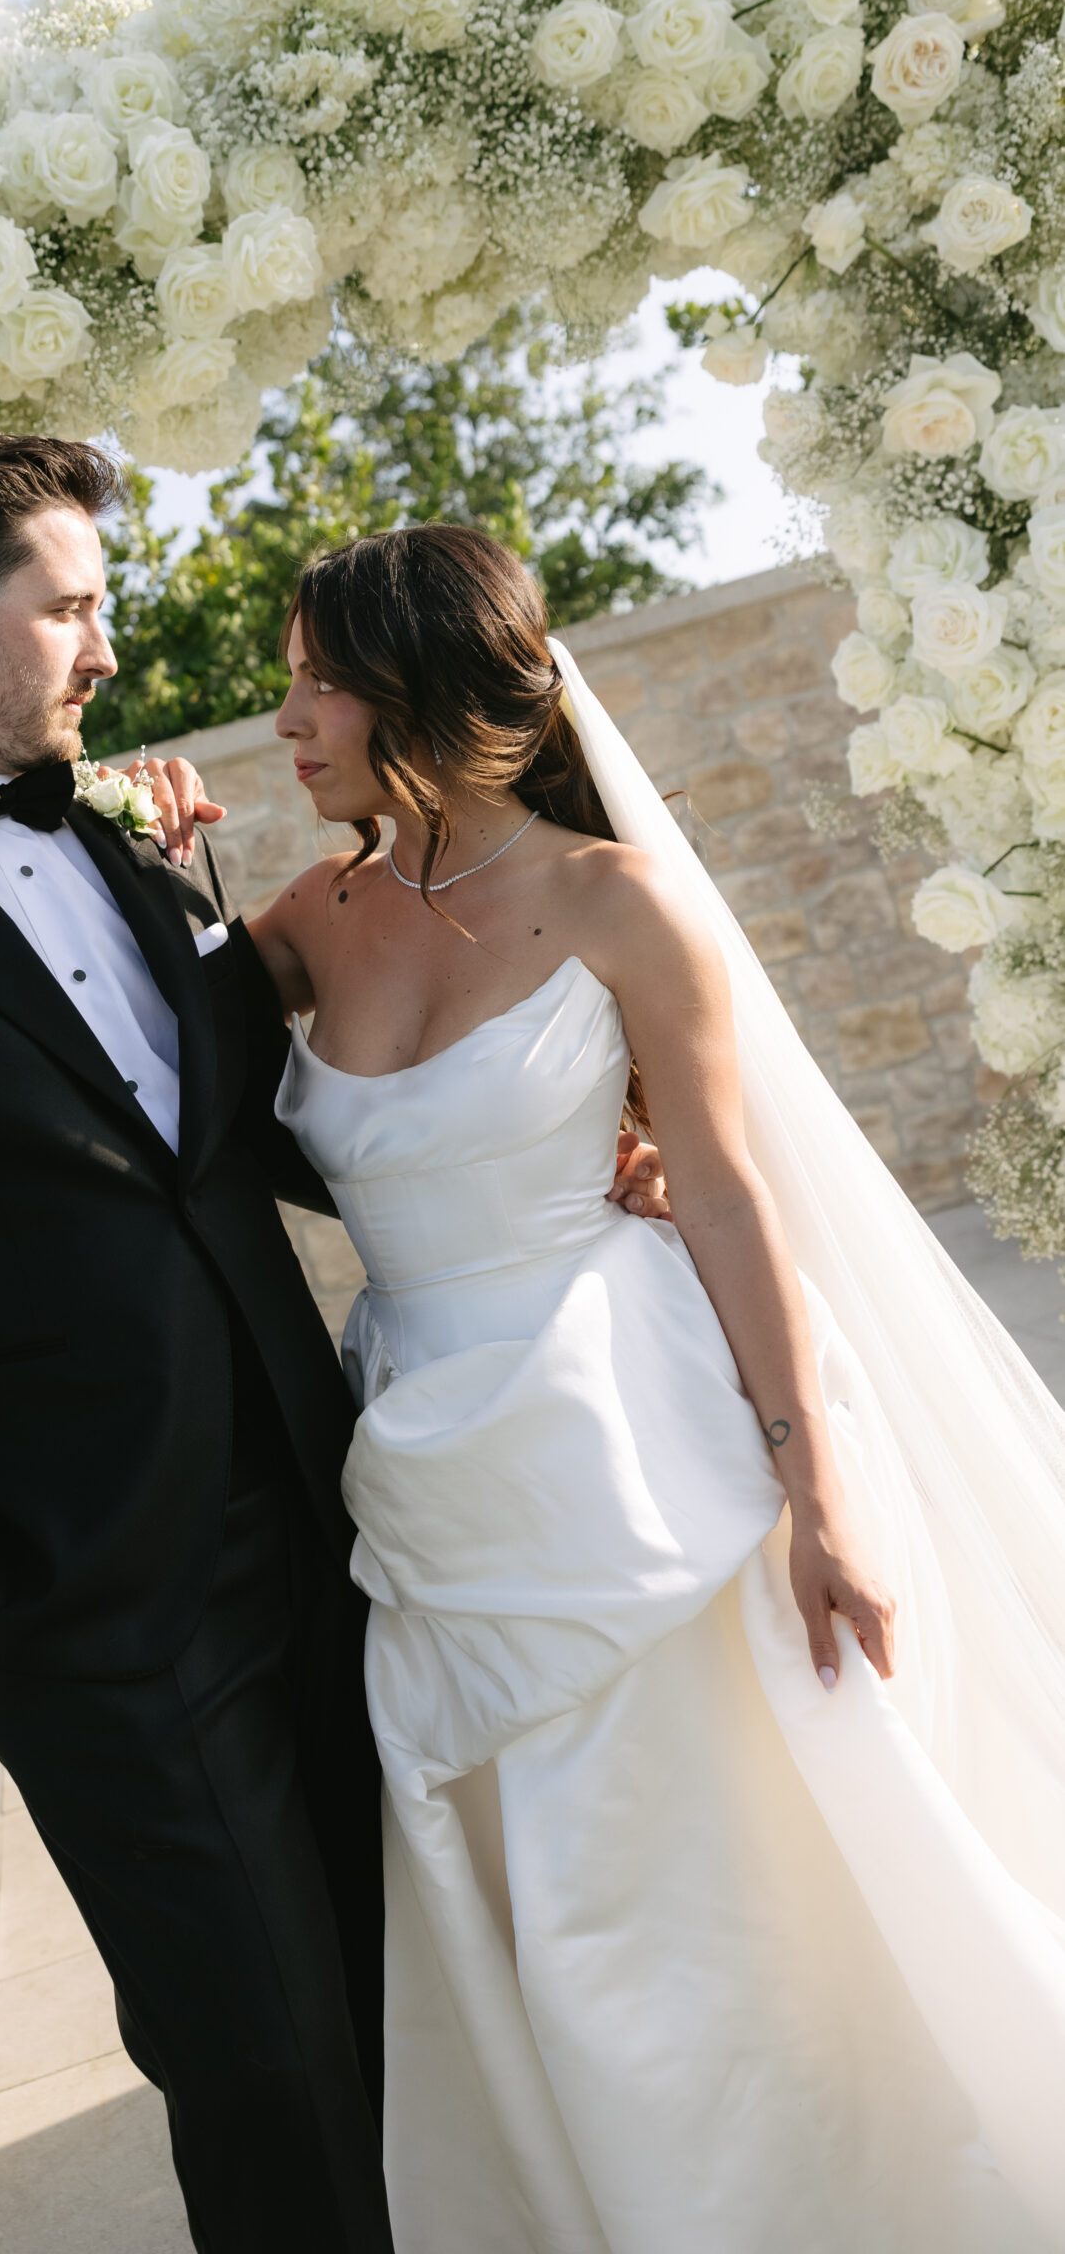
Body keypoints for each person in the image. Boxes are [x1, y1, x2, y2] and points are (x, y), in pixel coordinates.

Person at [0, 434, 666, 2254]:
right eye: (77, 607)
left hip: (334, 1524)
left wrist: (584, 1144)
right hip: (87, 1602)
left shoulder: (132, 849)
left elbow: (271, 1133)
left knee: (401, 2001)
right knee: (260, 2060)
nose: (107, 649)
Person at [248, 522, 1065, 2254]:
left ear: (416, 687)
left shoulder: (620, 904)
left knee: (723, 1912)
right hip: (430, 1479)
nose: (286, 717)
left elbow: (729, 1189)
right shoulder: (302, 923)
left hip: (635, 1447)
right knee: (544, 1922)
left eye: (318, 677)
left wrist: (822, 1494)